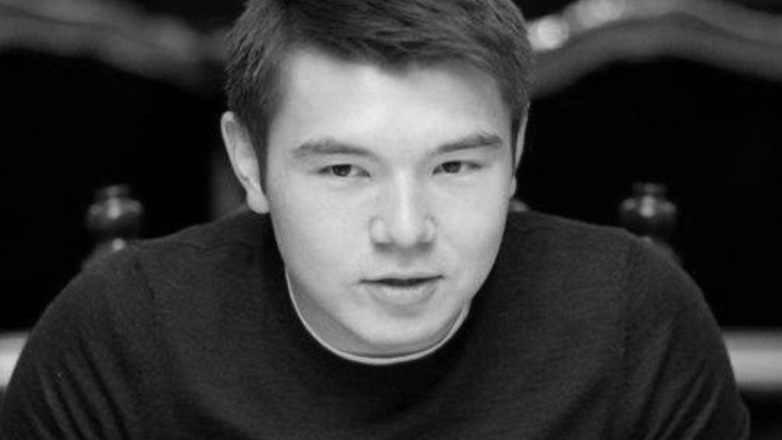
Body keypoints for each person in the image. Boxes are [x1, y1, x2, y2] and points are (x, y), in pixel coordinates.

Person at [0, 0, 749, 438]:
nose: (406, 230)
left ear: (517, 149)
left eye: (455, 167)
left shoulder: (633, 319)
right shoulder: (120, 338)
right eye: (343, 171)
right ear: (249, 163)